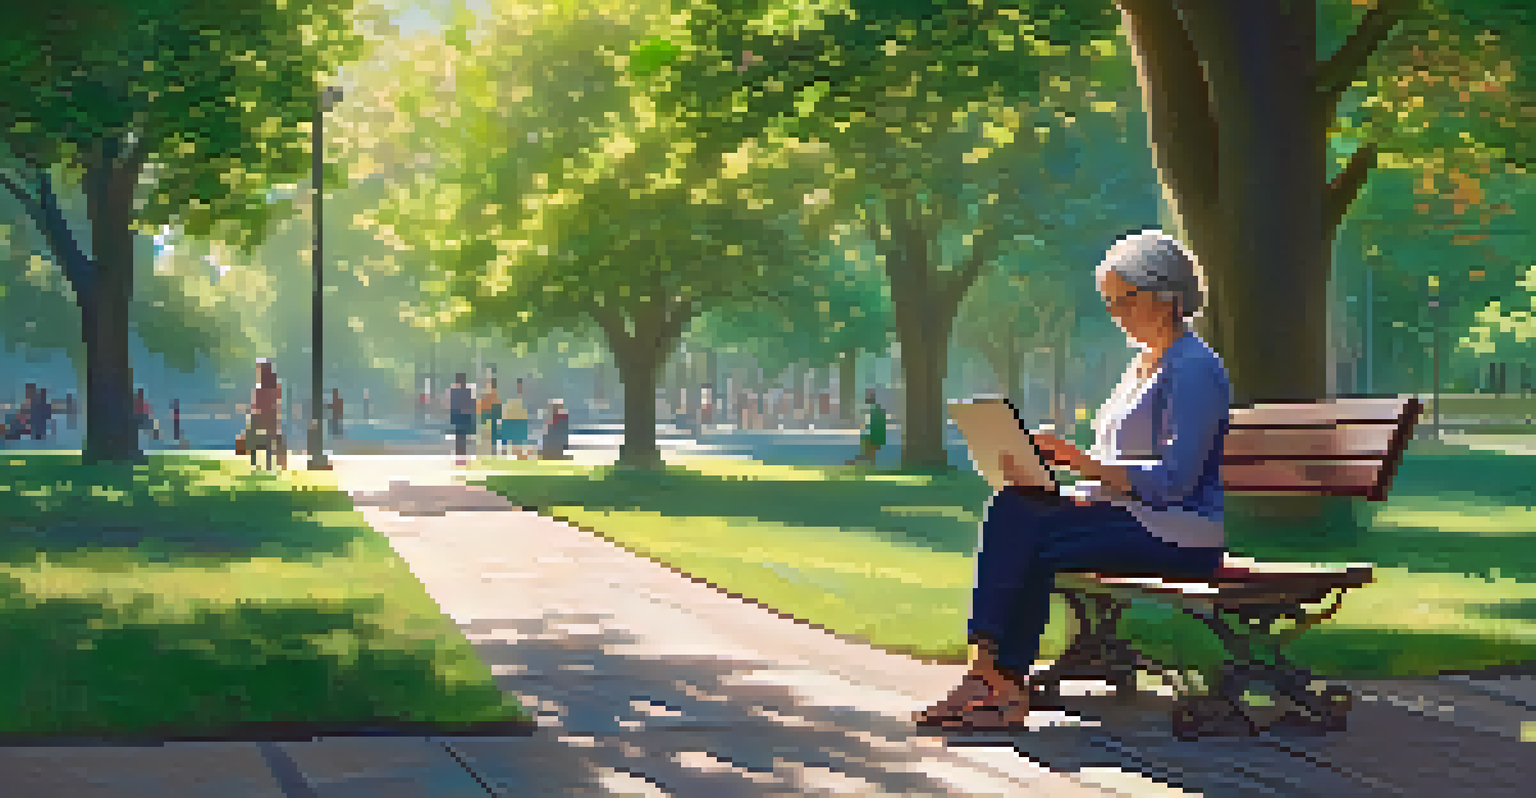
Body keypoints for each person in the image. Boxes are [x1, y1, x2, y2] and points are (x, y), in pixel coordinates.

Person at [916, 230, 1231, 731]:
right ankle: (994, 680)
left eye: (1123, 299)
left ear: (1165, 296)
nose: (1114, 314)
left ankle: (994, 680)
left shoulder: (1194, 369)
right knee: (1020, 507)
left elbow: (1176, 481)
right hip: (1130, 517)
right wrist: (1061, 474)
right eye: (1109, 302)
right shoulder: (1142, 368)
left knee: (1027, 527)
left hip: (1180, 531)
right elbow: (1113, 466)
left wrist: (1082, 466)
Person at [244, 359, 287, 470]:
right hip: (272, 421)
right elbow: (277, 405)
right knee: (272, 435)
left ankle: (253, 460)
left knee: (252, 429)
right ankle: (270, 463)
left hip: (262, 420)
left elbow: (256, 407)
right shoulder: (277, 387)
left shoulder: (259, 389)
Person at [847, 388, 886, 466]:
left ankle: (864, 462)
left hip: (871, 436)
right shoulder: (878, 409)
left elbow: (868, 425)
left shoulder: (871, 409)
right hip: (876, 436)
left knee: (868, 452)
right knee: (870, 453)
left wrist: (865, 434)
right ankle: (868, 462)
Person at [499, 378, 531, 459]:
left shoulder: (524, 395)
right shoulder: (511, 394)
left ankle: (519, 455)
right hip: (511, 417)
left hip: (519, 418)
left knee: (519, 439)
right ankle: (505, 454)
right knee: (509, 439)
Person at [448, 373, 474, 465]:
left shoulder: (462, 391)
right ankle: (460, 457)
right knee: (460, 438)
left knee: (462, 438)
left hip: (462, 417)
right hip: (460, 417)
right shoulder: (460, 391)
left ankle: (462, 457)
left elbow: (470, 404)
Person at [478, 377, 501, 455]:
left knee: (490, 434)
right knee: (488, 434)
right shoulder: (491, 395)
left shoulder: (492, 395)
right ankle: (490, 450)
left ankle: (490, 450)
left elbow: (497, 405)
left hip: (490, 414)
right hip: (489, 414)